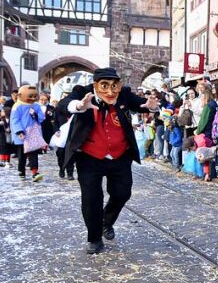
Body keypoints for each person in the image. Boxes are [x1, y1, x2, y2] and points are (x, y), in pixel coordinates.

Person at [64, 67, 158, 254]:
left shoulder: (122, 94)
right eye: (104, 86)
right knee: (92, 198)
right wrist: (79, 106)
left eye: (113, 85)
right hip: (89, 156)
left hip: (119, 155)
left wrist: (149, 104)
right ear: (95, 85)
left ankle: (106, 221)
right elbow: (65, 104)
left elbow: (139, 103)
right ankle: (94, 238)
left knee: (122, 193)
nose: (110, 91)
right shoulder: (83, 93)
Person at [10, 85, 47, 182]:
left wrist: (35, 115)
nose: (33, 98)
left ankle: (35, 172)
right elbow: (15, 120)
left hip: (33, 133)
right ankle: (21, 171)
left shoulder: (36, 106)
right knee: (22, 154)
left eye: (35, 96)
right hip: (23, 134)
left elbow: (42, 118)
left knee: (33, 153)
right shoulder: (17, 106)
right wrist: (19, 131)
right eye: (30, 96)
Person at [55, 85, 87, 179]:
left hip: (72, 134)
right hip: (62, 133)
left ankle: (69, 173)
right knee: (62, 153)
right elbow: (55, 119)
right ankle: (62, 169)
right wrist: (56, 130)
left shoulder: (80, 105)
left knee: (70, 153)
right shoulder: (63, 105)